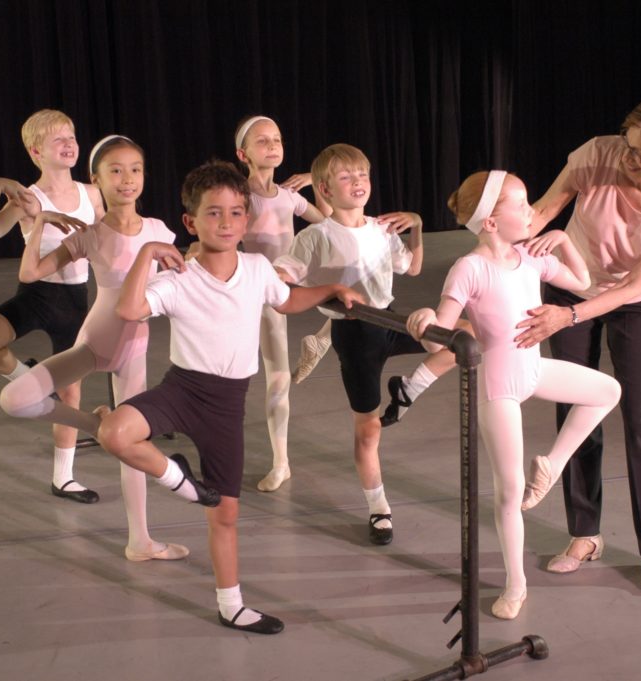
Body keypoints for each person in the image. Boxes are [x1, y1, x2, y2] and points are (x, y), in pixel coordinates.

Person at [96, 159, 364, 633]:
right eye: (214, 213)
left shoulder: (259, 268)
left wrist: (331, 289)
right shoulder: (178, 276)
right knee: (115, 431)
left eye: (236, 213)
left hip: (226, 404)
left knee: (225, 515)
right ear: (190, 222)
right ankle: (179, 479)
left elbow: (287, 299)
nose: (226, 223)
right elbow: (130, 308)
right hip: (182, 389)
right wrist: (148, 254)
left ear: (247, 219)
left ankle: (232, 605)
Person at [515, 91, 641, 594]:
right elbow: (542, 213)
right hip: (571, 282)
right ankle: (584, 535)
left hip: (635, 300)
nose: (630, 158)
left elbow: (629, 286)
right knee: (575, 410)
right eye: (630, 145)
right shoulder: (597, 154)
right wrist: (491, 235)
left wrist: (569, 316)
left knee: (639, 417)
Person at [406, 170, 621, 619]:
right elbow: (438, 339)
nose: (531, 212)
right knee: (508, 494)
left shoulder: (531, 257)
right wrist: (426, 318)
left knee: (607, 391)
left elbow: (583, 282)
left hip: (534, 370)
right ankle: (516, 584)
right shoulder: (470, 268)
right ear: (489, 222)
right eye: (521, 206)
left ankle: (553, 464)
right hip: (500, 386)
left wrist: (562, 238)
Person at [0, 134, 188, 563]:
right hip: (94, 344)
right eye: (115, 171)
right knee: (14, 398)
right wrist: (42, 222)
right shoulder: (90, 235)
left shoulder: (159, 231)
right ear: (96, 178)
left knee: (132, 447)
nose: (127, 179)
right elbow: (30, 274)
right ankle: (93, 422)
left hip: (134, 351)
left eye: (135, 169)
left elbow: (183, 283)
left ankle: (140, 540)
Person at [274, 143, 458, 546]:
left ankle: (409, 390)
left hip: (390, 319)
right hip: (355, 335)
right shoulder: (316, 237)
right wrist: (328, 292)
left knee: (466, 337)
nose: (357, 182)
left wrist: (418, 226)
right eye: (346, 176)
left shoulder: (380, 227)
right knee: (368, 431)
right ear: (323, 188)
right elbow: (279, 281)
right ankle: (379, 508)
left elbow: (411, 267)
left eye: (363, 175)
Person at [0, 109, 104, 503]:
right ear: (36, 150)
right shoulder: (29, 198)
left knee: (71, 395)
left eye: (72, 135)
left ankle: (64, 478)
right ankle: (27, 376)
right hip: (37, 295)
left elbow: (110, 244)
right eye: (58, 139)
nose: (69, 143)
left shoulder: (91, 194)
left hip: (75, 301)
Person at [231, 115, 328, 492]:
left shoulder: (290, 196)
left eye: (277, 138)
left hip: (291, 284)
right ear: (243, 154)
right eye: (262, 141)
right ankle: (281, 462)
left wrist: (315, 184)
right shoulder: (239, 195)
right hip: (258, 292)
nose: (272, 145)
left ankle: (323, 337)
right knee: (272, 376)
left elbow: (330, 223)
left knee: (363, 290)